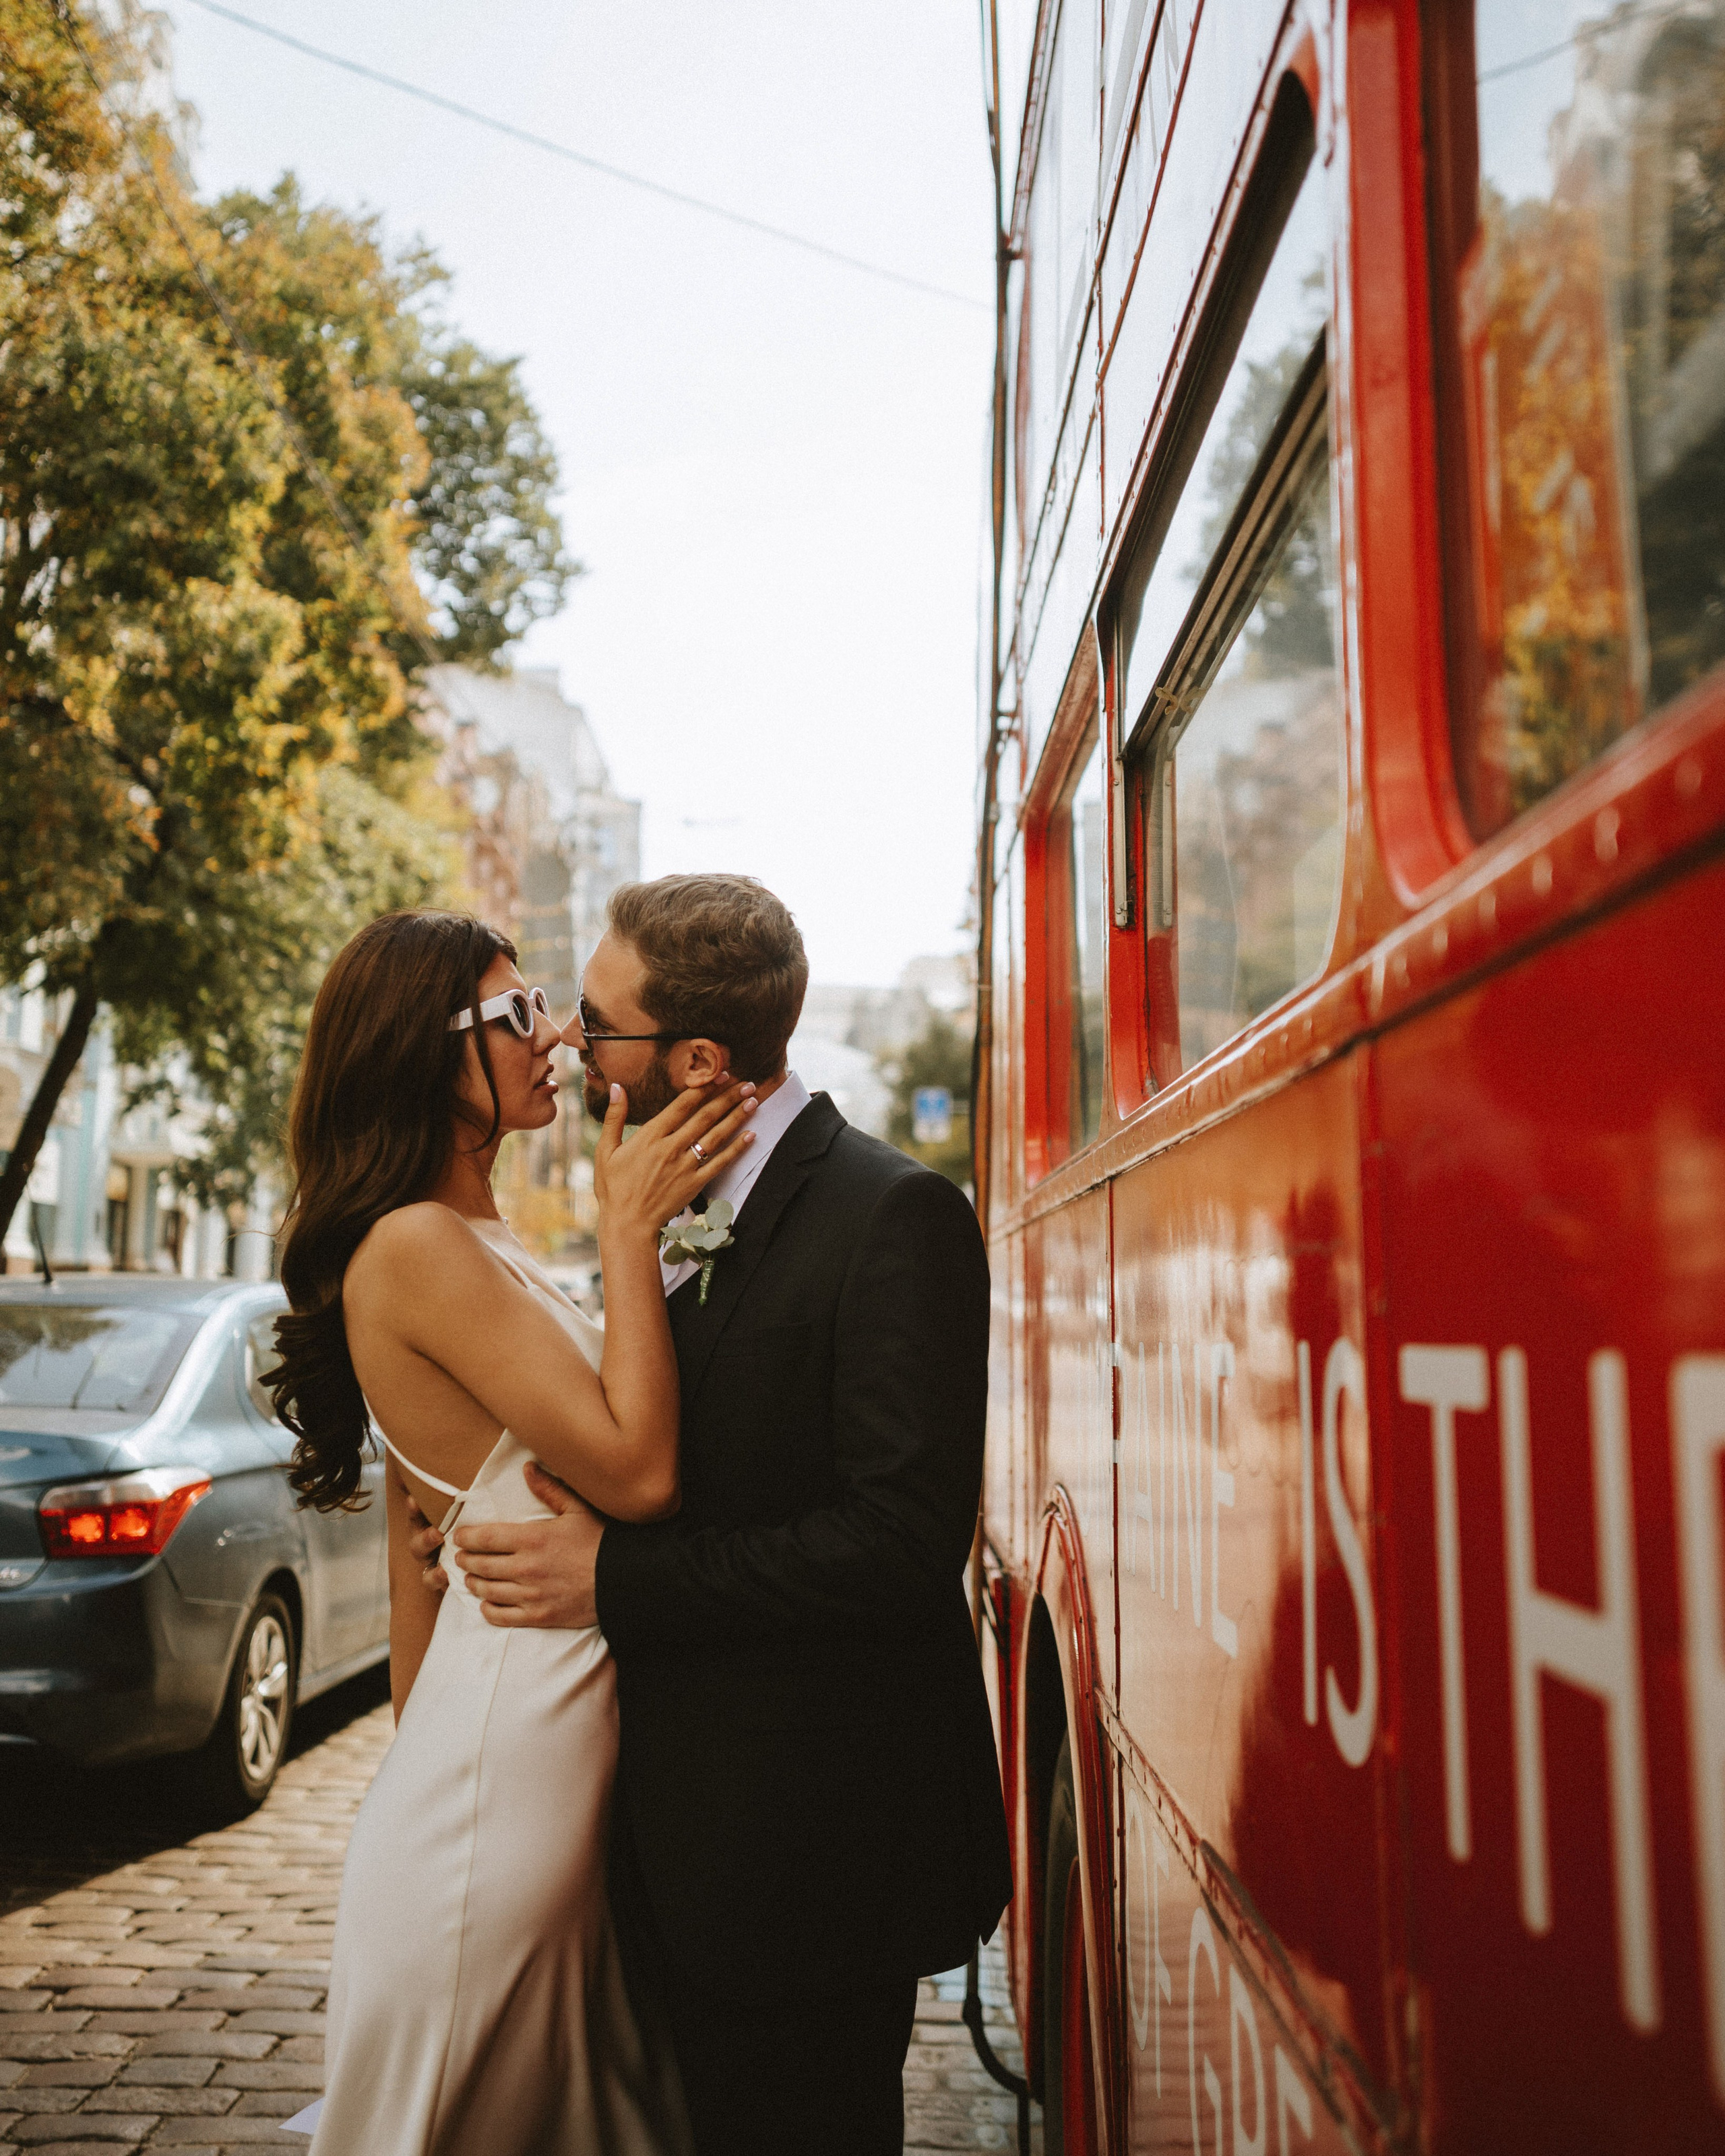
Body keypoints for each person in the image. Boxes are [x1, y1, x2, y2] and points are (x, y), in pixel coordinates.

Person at [414, 875, 1013, 2156]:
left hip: (810, 1858)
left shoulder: (892, 1215)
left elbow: (903, 1546)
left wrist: (613, 1580)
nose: (569, 1043)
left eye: (593, 1020)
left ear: (694, 1060)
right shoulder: (663, 1214)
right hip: (667, 1848)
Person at [264, 907, 756, 2156]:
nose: (556, 1032)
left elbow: (417, 1554)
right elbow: (641, 1474)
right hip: (512, 1793)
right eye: (515, 1012)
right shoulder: (418, 1248)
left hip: (520, 1774)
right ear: (429, 1056)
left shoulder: (477, 1241)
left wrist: (429, 1767)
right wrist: (631, 1229)